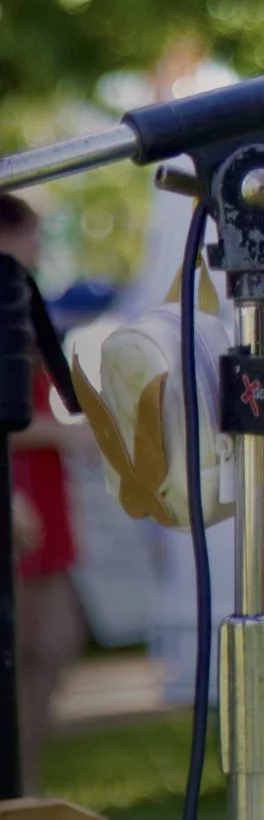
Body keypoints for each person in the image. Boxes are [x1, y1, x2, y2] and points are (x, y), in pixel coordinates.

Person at [1, 194, 90, 795]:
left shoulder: (24, 307)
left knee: (52, 647)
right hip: (20, 500)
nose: (38, 248)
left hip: (42, 499)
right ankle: (17, 790)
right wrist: (61, 433)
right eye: (30, 234)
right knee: (32, 651)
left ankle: (24, 789)